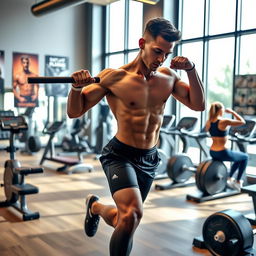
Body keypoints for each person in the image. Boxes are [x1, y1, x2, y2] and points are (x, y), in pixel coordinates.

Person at [67, 17, 205, 256]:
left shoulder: (168, 78)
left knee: (126, 219)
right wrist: (76, 87)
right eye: (157, 51)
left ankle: (96, 207)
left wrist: (191, 69)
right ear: (142, 43)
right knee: (132, 215)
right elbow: (74, 111)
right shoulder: (114, 77)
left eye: (167, 53)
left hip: (150, 158)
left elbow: (198, 104)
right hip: (120, 155)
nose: (161, 59)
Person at [204, 101, 248, 191]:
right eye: (223, 109)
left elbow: (209, 131)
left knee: (238, 158)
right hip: (222, 152)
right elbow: (242, 122)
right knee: (245, 157)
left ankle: (230, 178)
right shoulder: (223, 121)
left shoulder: (209, 122)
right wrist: (232, 112)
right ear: (220, 110)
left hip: (212, 152)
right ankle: (238, 181)